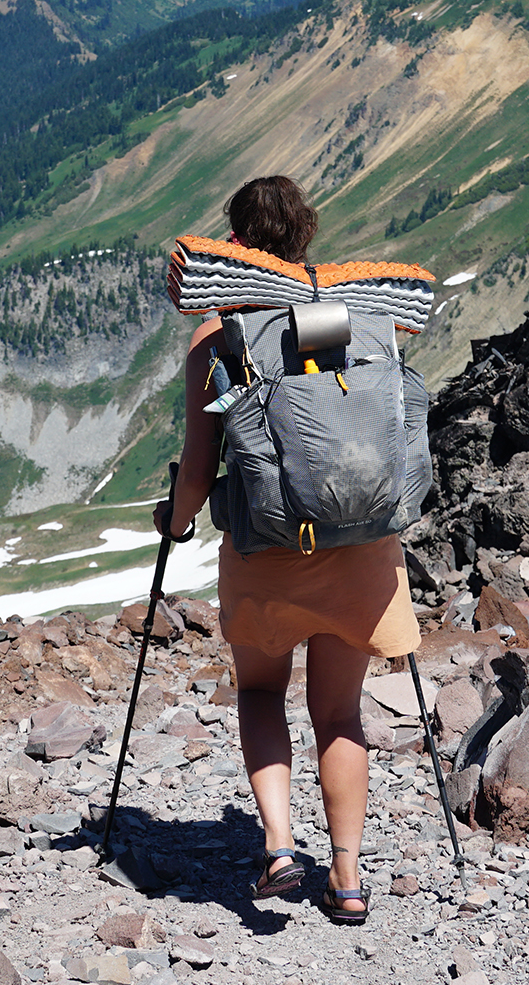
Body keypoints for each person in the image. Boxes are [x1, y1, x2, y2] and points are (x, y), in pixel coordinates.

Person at [151, 175, 421, 926]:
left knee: (263, 693)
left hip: (269, 545)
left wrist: (173, 526)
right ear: (305, 238)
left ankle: (277, 848)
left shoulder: (220, 338)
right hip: (358, 543)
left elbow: (201, 469)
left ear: (234, 244)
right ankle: (349, 878)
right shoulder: (346, 318)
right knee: (339, 711)